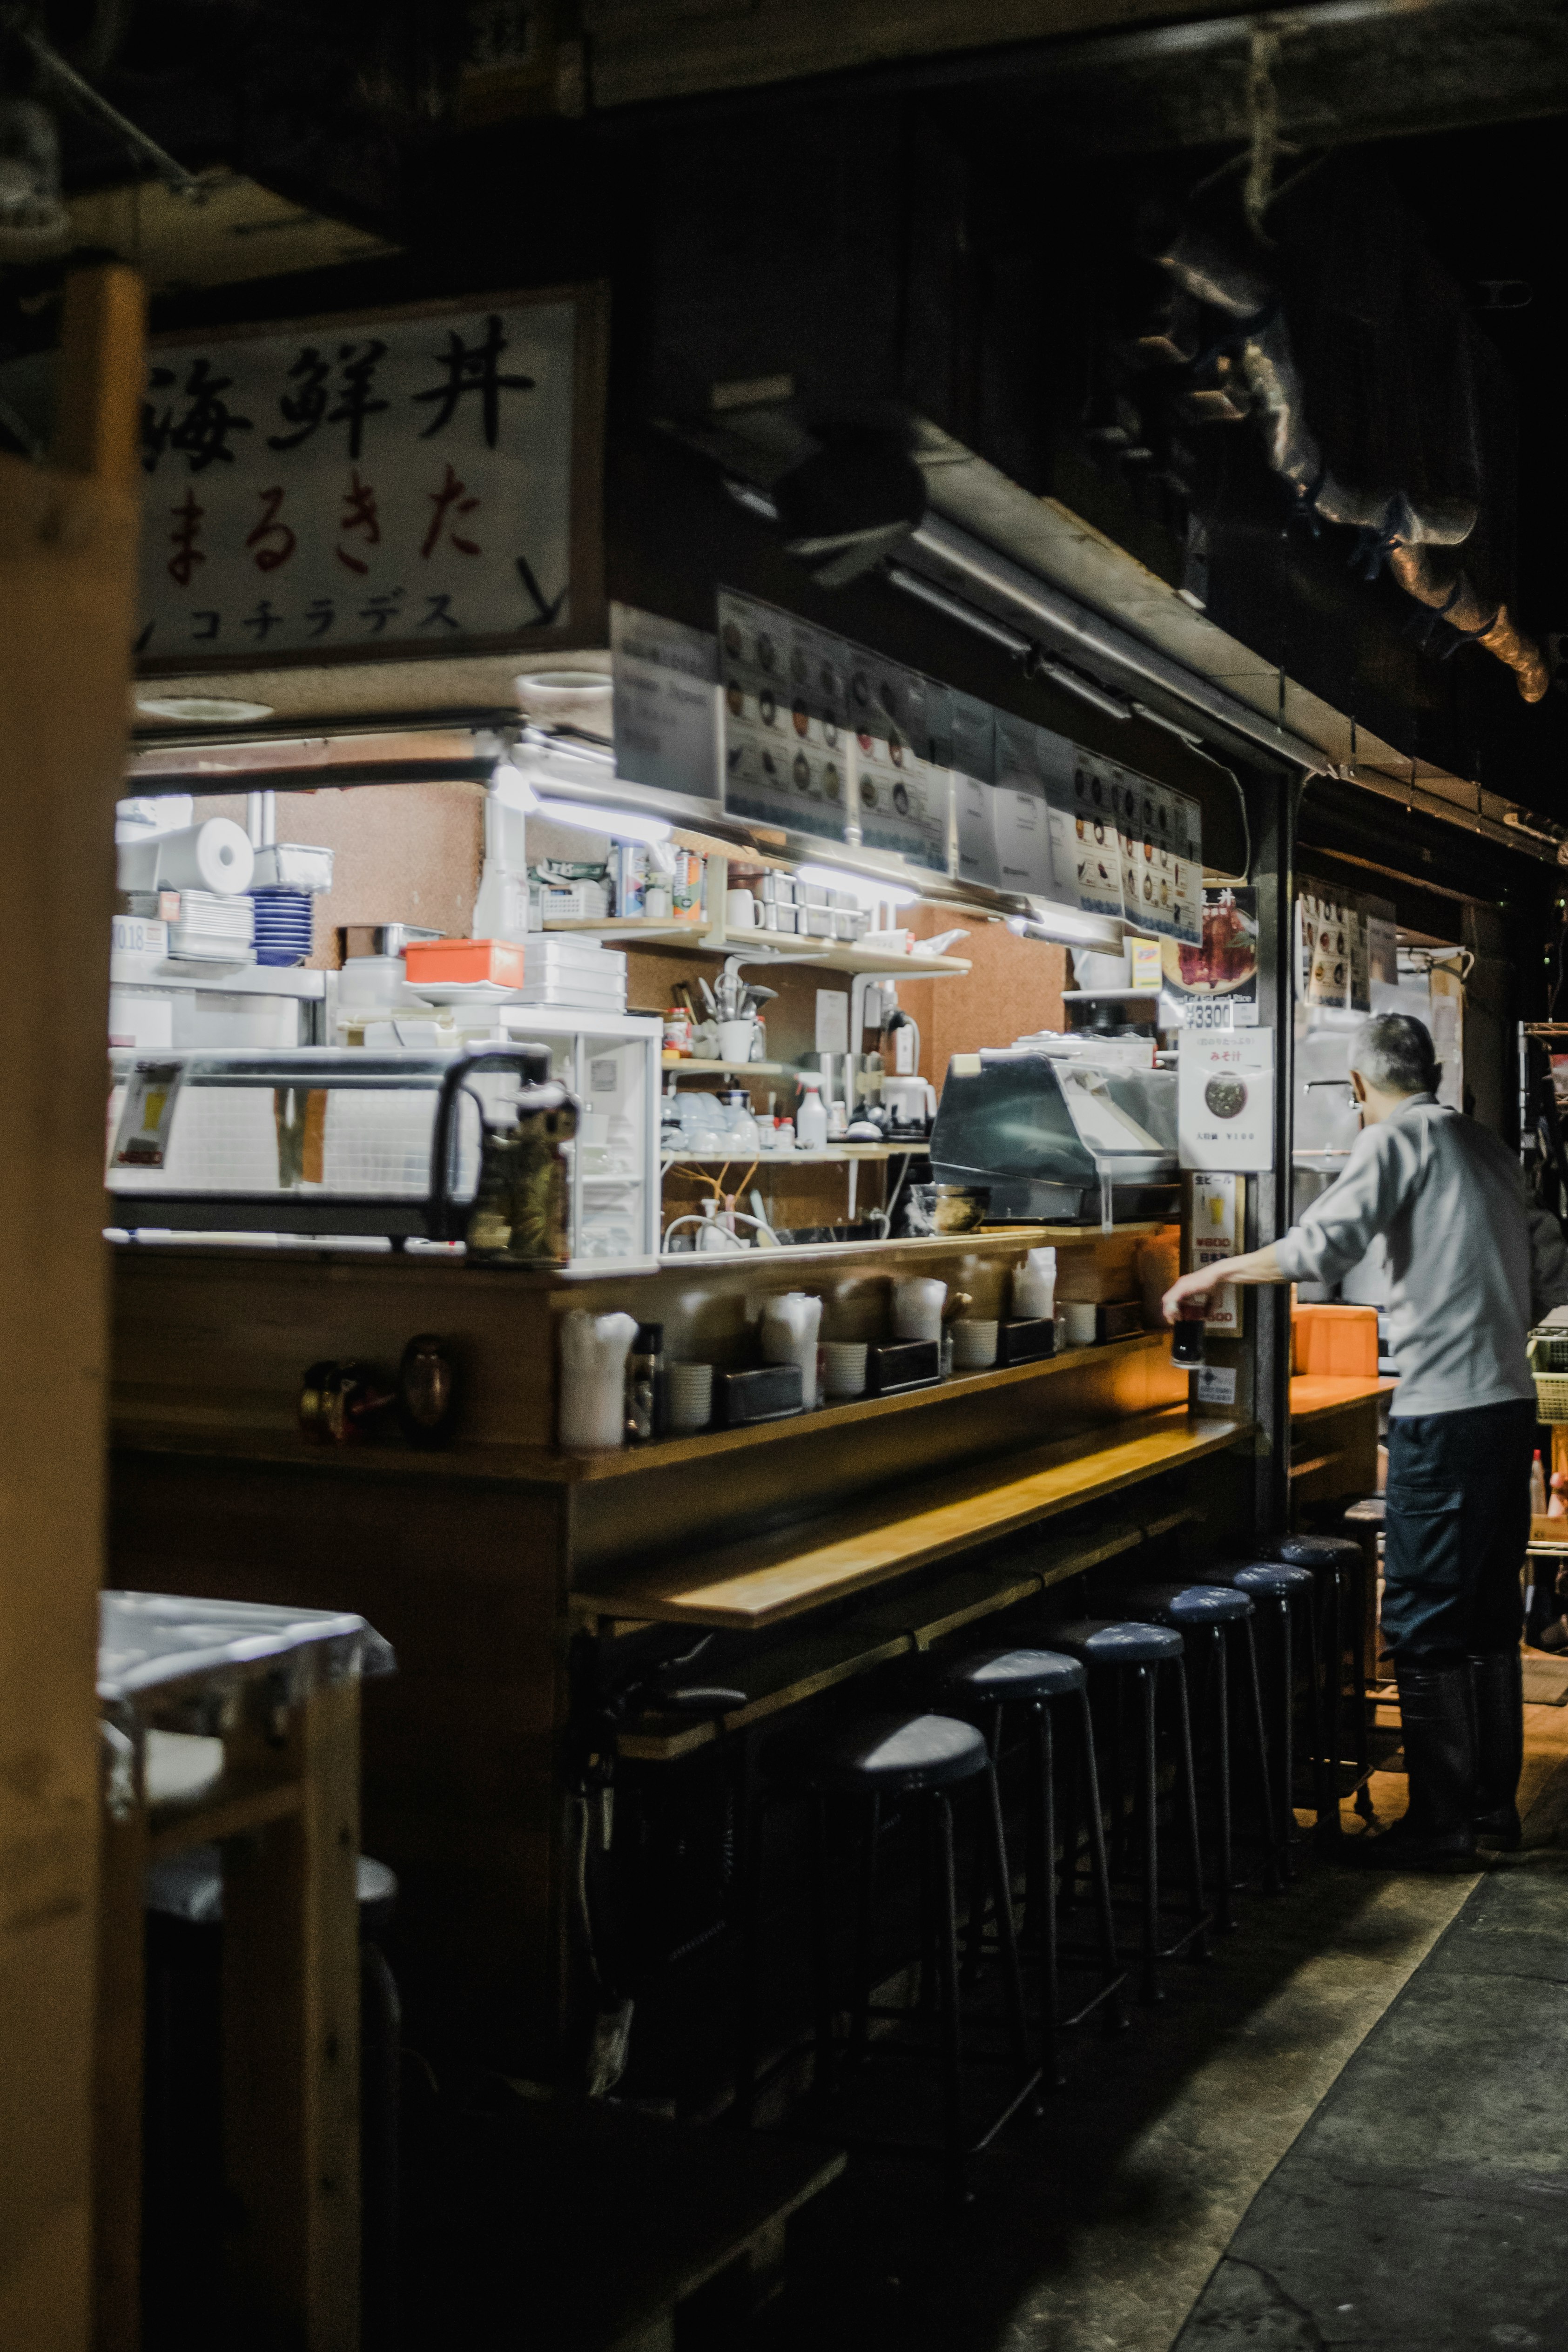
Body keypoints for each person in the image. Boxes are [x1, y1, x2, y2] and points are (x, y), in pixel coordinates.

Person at [1164, 1011, 1568, 1868]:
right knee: (1489, 1616)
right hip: (1506, 1406)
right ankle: (1491, 1809)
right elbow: (1550, 1267)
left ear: (1357, 1088)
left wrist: (1215, 1270)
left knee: (1422, 1616)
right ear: (1434, 1071)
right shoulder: (1488, 1146)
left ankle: (1439, 1823)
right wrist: (1489, 1320)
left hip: (1442, 1412)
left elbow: (1322, 1245)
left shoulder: (1392, 1142)